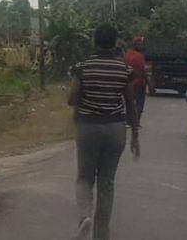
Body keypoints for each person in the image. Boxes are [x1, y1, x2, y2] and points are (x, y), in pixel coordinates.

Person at [68, 24, 140, 240]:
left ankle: (84, 216)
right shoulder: (124, 69)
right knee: (107, 181)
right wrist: (135, 135)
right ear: (115, 42)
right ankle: (101, 234)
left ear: (94, 41)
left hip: (88, 127)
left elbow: (72, 99)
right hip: (116, 129)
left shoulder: (83, 67)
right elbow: (130, 102)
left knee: (84, 177)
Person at [123, 37, 148, 125]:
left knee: (129, 102)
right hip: (138, 83)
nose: (142, 46)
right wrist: (148, 82)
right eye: (140, 44)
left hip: (127, 82)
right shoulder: (139, 56)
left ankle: (128, 121)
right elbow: (143, 70)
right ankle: (135, 122)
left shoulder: (126, 54)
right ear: (136, 45)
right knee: (139, 103)